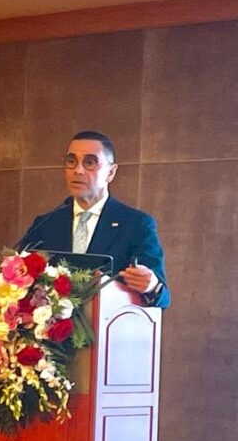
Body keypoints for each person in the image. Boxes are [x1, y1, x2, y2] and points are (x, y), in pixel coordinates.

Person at [17, 131, 170, 308]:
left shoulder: (136, 225)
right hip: (51, 324)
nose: (78, 170)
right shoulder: (46, 224)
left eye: (89, 163)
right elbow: (19, 276)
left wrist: (152, 286)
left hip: (110, 322)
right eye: (71, 161)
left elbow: (164, 298)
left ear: (110, 172)